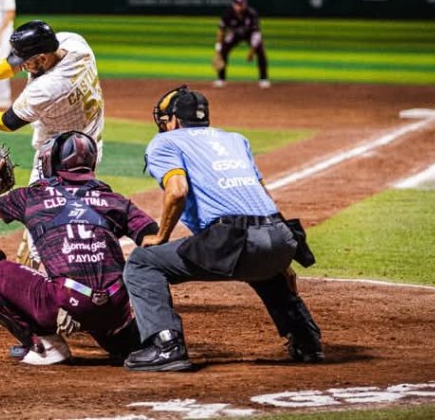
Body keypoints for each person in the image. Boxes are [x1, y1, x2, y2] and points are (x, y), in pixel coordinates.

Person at [121, 85, 323, 372]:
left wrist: (161, 236)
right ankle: (307, 340)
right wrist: (280, 259)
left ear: (174, 120)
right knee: (258, 264)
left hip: (234, 241)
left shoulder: (165, 142)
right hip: (280, 234)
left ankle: (166, 346)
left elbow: (177, 191)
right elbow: (263, 196)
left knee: (142, 263)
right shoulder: (235, 140)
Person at [0, 19, 106, 317]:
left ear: (42, 58)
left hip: (61, 158)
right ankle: (33, 290)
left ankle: (39, 299)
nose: (22, 66)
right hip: (85, 146)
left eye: (27, 61)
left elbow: (7, 121)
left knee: (42, 227)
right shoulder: (73, 43)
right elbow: (10, 64)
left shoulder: (50, 87)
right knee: (44, 226)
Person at [0, 131, 158, 365]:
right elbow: (154, 239)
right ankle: (130, 340)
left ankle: (46, 346)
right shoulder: (114, 200)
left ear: (50, 162)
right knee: (120, 333)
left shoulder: (33, 196)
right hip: (114, 307)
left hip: (64, 302)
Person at [213, 0, 270, 88]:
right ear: (233, 4)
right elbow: (221, 31)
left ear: (245, 4)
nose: (239, 7)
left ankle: (263, 79)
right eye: (237, 4)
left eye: (241, 4)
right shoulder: (228, 14)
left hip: (250, 34)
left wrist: (252, 52)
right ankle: (221, 79)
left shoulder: (251, 14)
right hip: (235, 34)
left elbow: (257, 34)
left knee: (260, 51)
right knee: (223, 50)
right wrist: (218, 49)